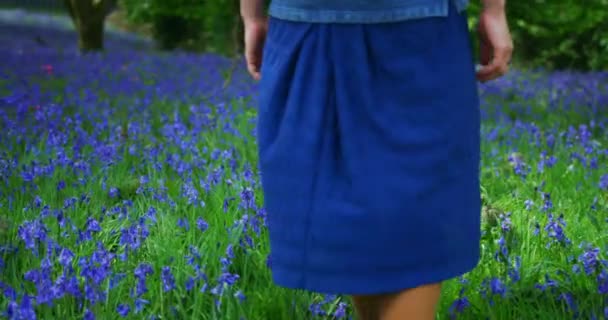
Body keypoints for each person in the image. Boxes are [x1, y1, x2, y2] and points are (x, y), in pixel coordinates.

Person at [240, 0, 512, 319]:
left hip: (312, 23)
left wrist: (252, 14)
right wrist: (493, 10)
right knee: (409, 230)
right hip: (418, 29)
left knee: (368, 233)